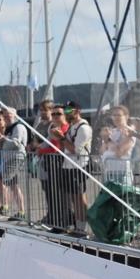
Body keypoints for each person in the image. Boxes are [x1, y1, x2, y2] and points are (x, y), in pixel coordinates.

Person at [59, 101, 93, 237]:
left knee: (80, 197)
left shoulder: (83, 128)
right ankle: (78, 226)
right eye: (65, 110)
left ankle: (82, 228)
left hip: (79, 166)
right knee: (74, 197)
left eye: (69, 110)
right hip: (68, 166)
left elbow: (74, 150)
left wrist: (61, 138)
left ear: (77, 111)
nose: (66, 113)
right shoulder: (72, 126)